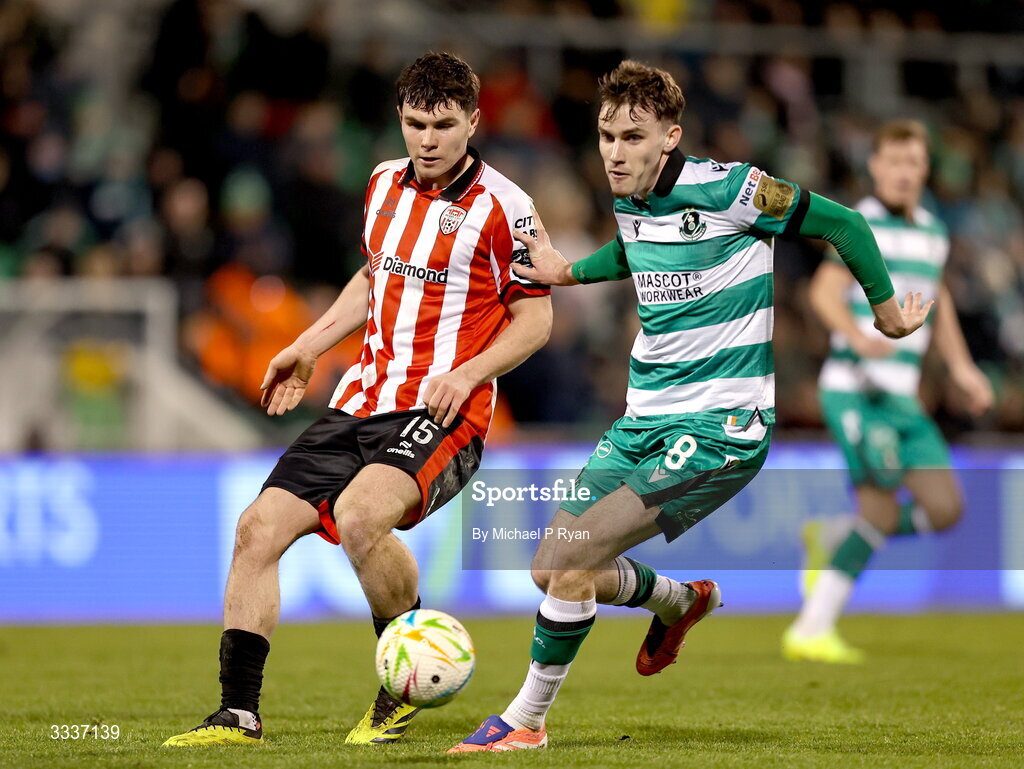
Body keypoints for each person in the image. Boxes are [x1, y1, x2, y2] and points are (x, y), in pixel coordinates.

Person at [448, 60, 931, 753]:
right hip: (643, 417)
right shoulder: (630, 196)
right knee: (550, 565)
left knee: (578, 557)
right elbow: (637, 251)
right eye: (607, 135)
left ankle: (525, 720)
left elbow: (845, 223)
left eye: (633, 137)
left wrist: (886, 315)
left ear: (669, 136)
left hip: (721, 427)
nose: (615, 151)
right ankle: (680, 600)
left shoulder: (735, 188)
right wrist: (568, 270)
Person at [163, 52, 552, 747]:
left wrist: (468, 374)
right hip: (359, 401)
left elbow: (536, 318)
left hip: (444, 414)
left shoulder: (506, 207)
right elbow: (375, 278)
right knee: (256, 529)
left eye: (441, 124)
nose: (426, 138)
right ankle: (237, 713)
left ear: (473, 121)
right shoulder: (380, 185)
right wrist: (310, 345)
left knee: (361, 513)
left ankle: (403, 683)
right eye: (413, 123)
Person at [783, 119, 993, 664]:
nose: (903, 173)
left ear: (926, 170)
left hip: (903, 396)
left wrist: (963, 369)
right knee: (878, 508)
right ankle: (810, 628)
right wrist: (857, 336)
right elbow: (823, 292)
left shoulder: (933, 231)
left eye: (914, 163)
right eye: (893, 162)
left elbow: (937, 302)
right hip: (855, 388)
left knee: (946, 509)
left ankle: (835, 536)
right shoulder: (860, 224)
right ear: (875, 167)